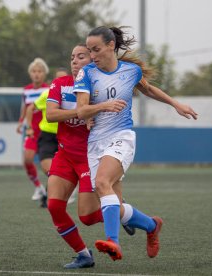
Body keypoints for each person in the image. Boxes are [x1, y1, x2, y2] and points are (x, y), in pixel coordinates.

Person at [74, 26, 198, 261]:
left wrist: (176, 104)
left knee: (102, 182)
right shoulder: (86, 74)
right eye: (90, 50)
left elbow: (148, 89)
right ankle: (151, 225)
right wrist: (103, 106)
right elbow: (81, 111)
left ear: (111, 46)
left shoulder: (130, 71)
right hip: (96, 143)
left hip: (122, 136)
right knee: (114, 206)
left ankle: (113, 242)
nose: (92, 56)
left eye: (96, 49)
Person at [45, 43, 135, 269]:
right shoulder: (60, 84)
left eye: (81, 56)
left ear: (93, 60)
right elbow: (51, 115)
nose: (74, 61)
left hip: (89, 155)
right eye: (72, 57)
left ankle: (125, 213)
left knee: (86, 216)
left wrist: (96, 110)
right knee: (54, 206)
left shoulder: (100, 86)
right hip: (65, 155)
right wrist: (82, 112)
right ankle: (84, 254)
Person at [16, 58, 50, 201]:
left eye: (39, 71)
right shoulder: (26, 90)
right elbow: (25, 108)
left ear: (44, 74)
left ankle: (58, 189)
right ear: (30, 74)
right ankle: (38, 187)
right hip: (31, 131)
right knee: (27, 160)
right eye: (34, 71)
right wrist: (20, 122)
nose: (37, 74)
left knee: (49, 165)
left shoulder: (48, 89)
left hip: (45, 131)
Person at [25, 88, 58, 207]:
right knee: (50, 170)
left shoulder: (74, 93)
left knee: (59, 172)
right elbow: (30, 108)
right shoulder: (47, 94)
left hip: (65, 137)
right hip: (47, 137)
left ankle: (51, 196)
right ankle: (48, 192)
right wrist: (29, 127)